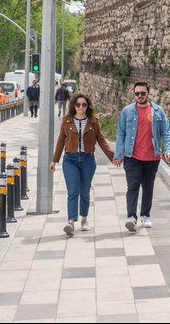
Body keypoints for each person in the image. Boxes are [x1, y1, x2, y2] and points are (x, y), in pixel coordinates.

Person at [49, 92, 115, 236]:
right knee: (73, 191)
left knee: (84, 192)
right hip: (70, 160)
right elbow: (61, 141)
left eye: (83, 104)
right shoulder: (67, 120)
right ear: (74, 105)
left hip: (88, 160)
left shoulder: (93, 121)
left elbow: (101, 140)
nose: (80, 107)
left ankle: (84, 219)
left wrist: (113, 157)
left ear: (88, 106)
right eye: (78, 104)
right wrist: (54, 160)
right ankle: (71, 222)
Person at [113, 81, 170, 231]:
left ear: (148, 93)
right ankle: (131, 217)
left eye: (142, 93)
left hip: (152, 157)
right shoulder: (127, 111)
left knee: (148, 187)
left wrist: (168, 149)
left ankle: (145, 215)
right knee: (132, 186)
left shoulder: (158, 112)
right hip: (132, 156)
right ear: (134, 94)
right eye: (137, 93)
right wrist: (119, 154)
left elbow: (166, 132)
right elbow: (121, 134)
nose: (139, 96)